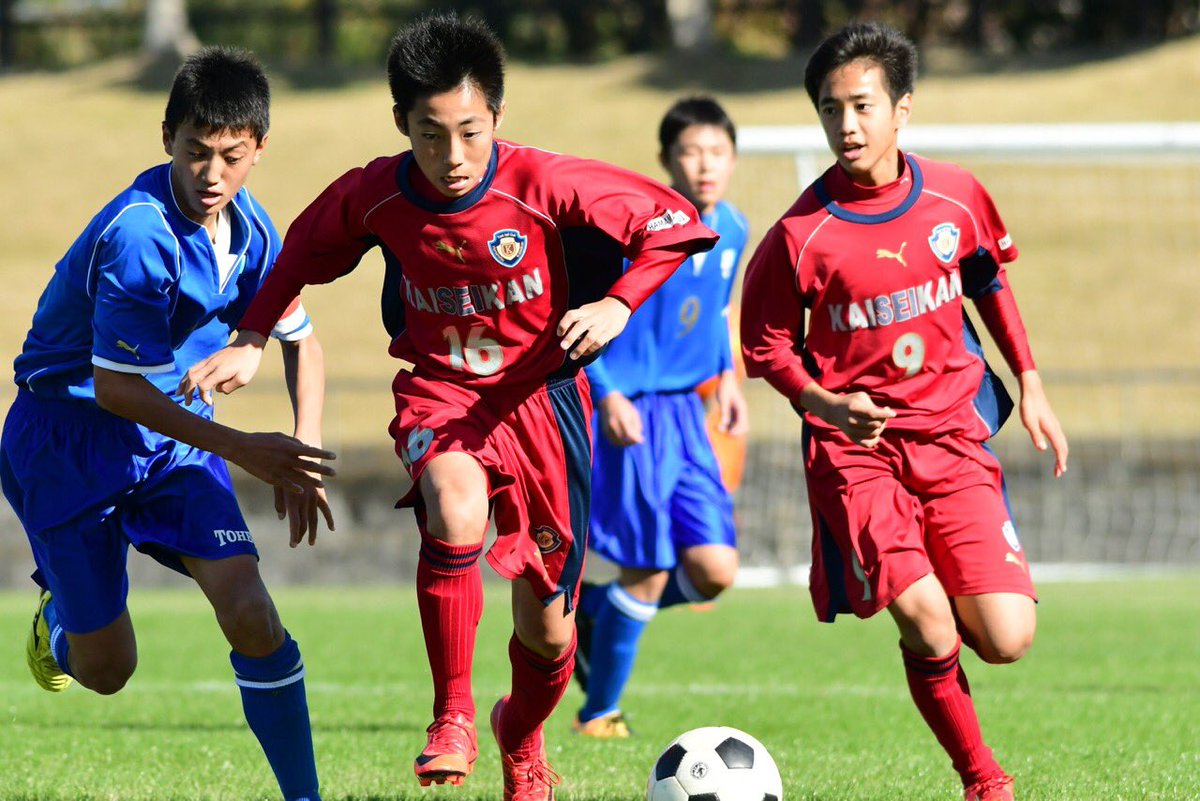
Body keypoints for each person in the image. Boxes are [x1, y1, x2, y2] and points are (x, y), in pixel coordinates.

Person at [178, 12, 717, 800]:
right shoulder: (377, 192)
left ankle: (520, 738)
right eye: (430, 135)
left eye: (469, 131)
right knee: (455, 507)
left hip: (543, 402)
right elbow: (301, 248)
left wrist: (620, 306)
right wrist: (254, 336)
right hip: (442, 392)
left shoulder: (544, 182)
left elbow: (673, 225)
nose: (452, 156)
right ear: (402, 125)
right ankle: (453, 714)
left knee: (551, 630)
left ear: (497, 116)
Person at [739, 22, 1068, 801]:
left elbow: (988, 279)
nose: (845, 126)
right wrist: (825, 403)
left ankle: (951, 580)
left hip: (953, 438)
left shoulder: (957, 195)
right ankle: (983, 777)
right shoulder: (798, 235)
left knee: (1007, 638)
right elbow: (767, 347)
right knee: (926, 620)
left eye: (860, 106)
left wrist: (1031, 383)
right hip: (857, 452)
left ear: (902, 109)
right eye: (829, 110)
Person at [0, 47, 335, 801]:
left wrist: (303, 443)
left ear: (258, 150)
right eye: (194, 152)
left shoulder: (251, 228)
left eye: (230, 155)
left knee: (251, 611)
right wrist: (247, 448)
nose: (210, 174)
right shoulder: (140, 233)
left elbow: (301, 339)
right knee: (108, 671)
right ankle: (59, 622)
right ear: (167, 139)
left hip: (174, 443)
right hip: (68, 441)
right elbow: (118, 389)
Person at [572, 96, 750, 739]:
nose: (705, 165)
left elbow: (718, 312)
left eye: (717, 152)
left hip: (688, 414)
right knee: (647, 571)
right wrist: (608, 392)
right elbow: (577, 314)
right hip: (632, 412)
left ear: (732, 159)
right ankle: (599, 715)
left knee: (714, 570)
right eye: (691, 152)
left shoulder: (734, 229)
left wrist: (727, 376)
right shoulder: (633, 229)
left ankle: (596, 609)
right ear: (665, 160)